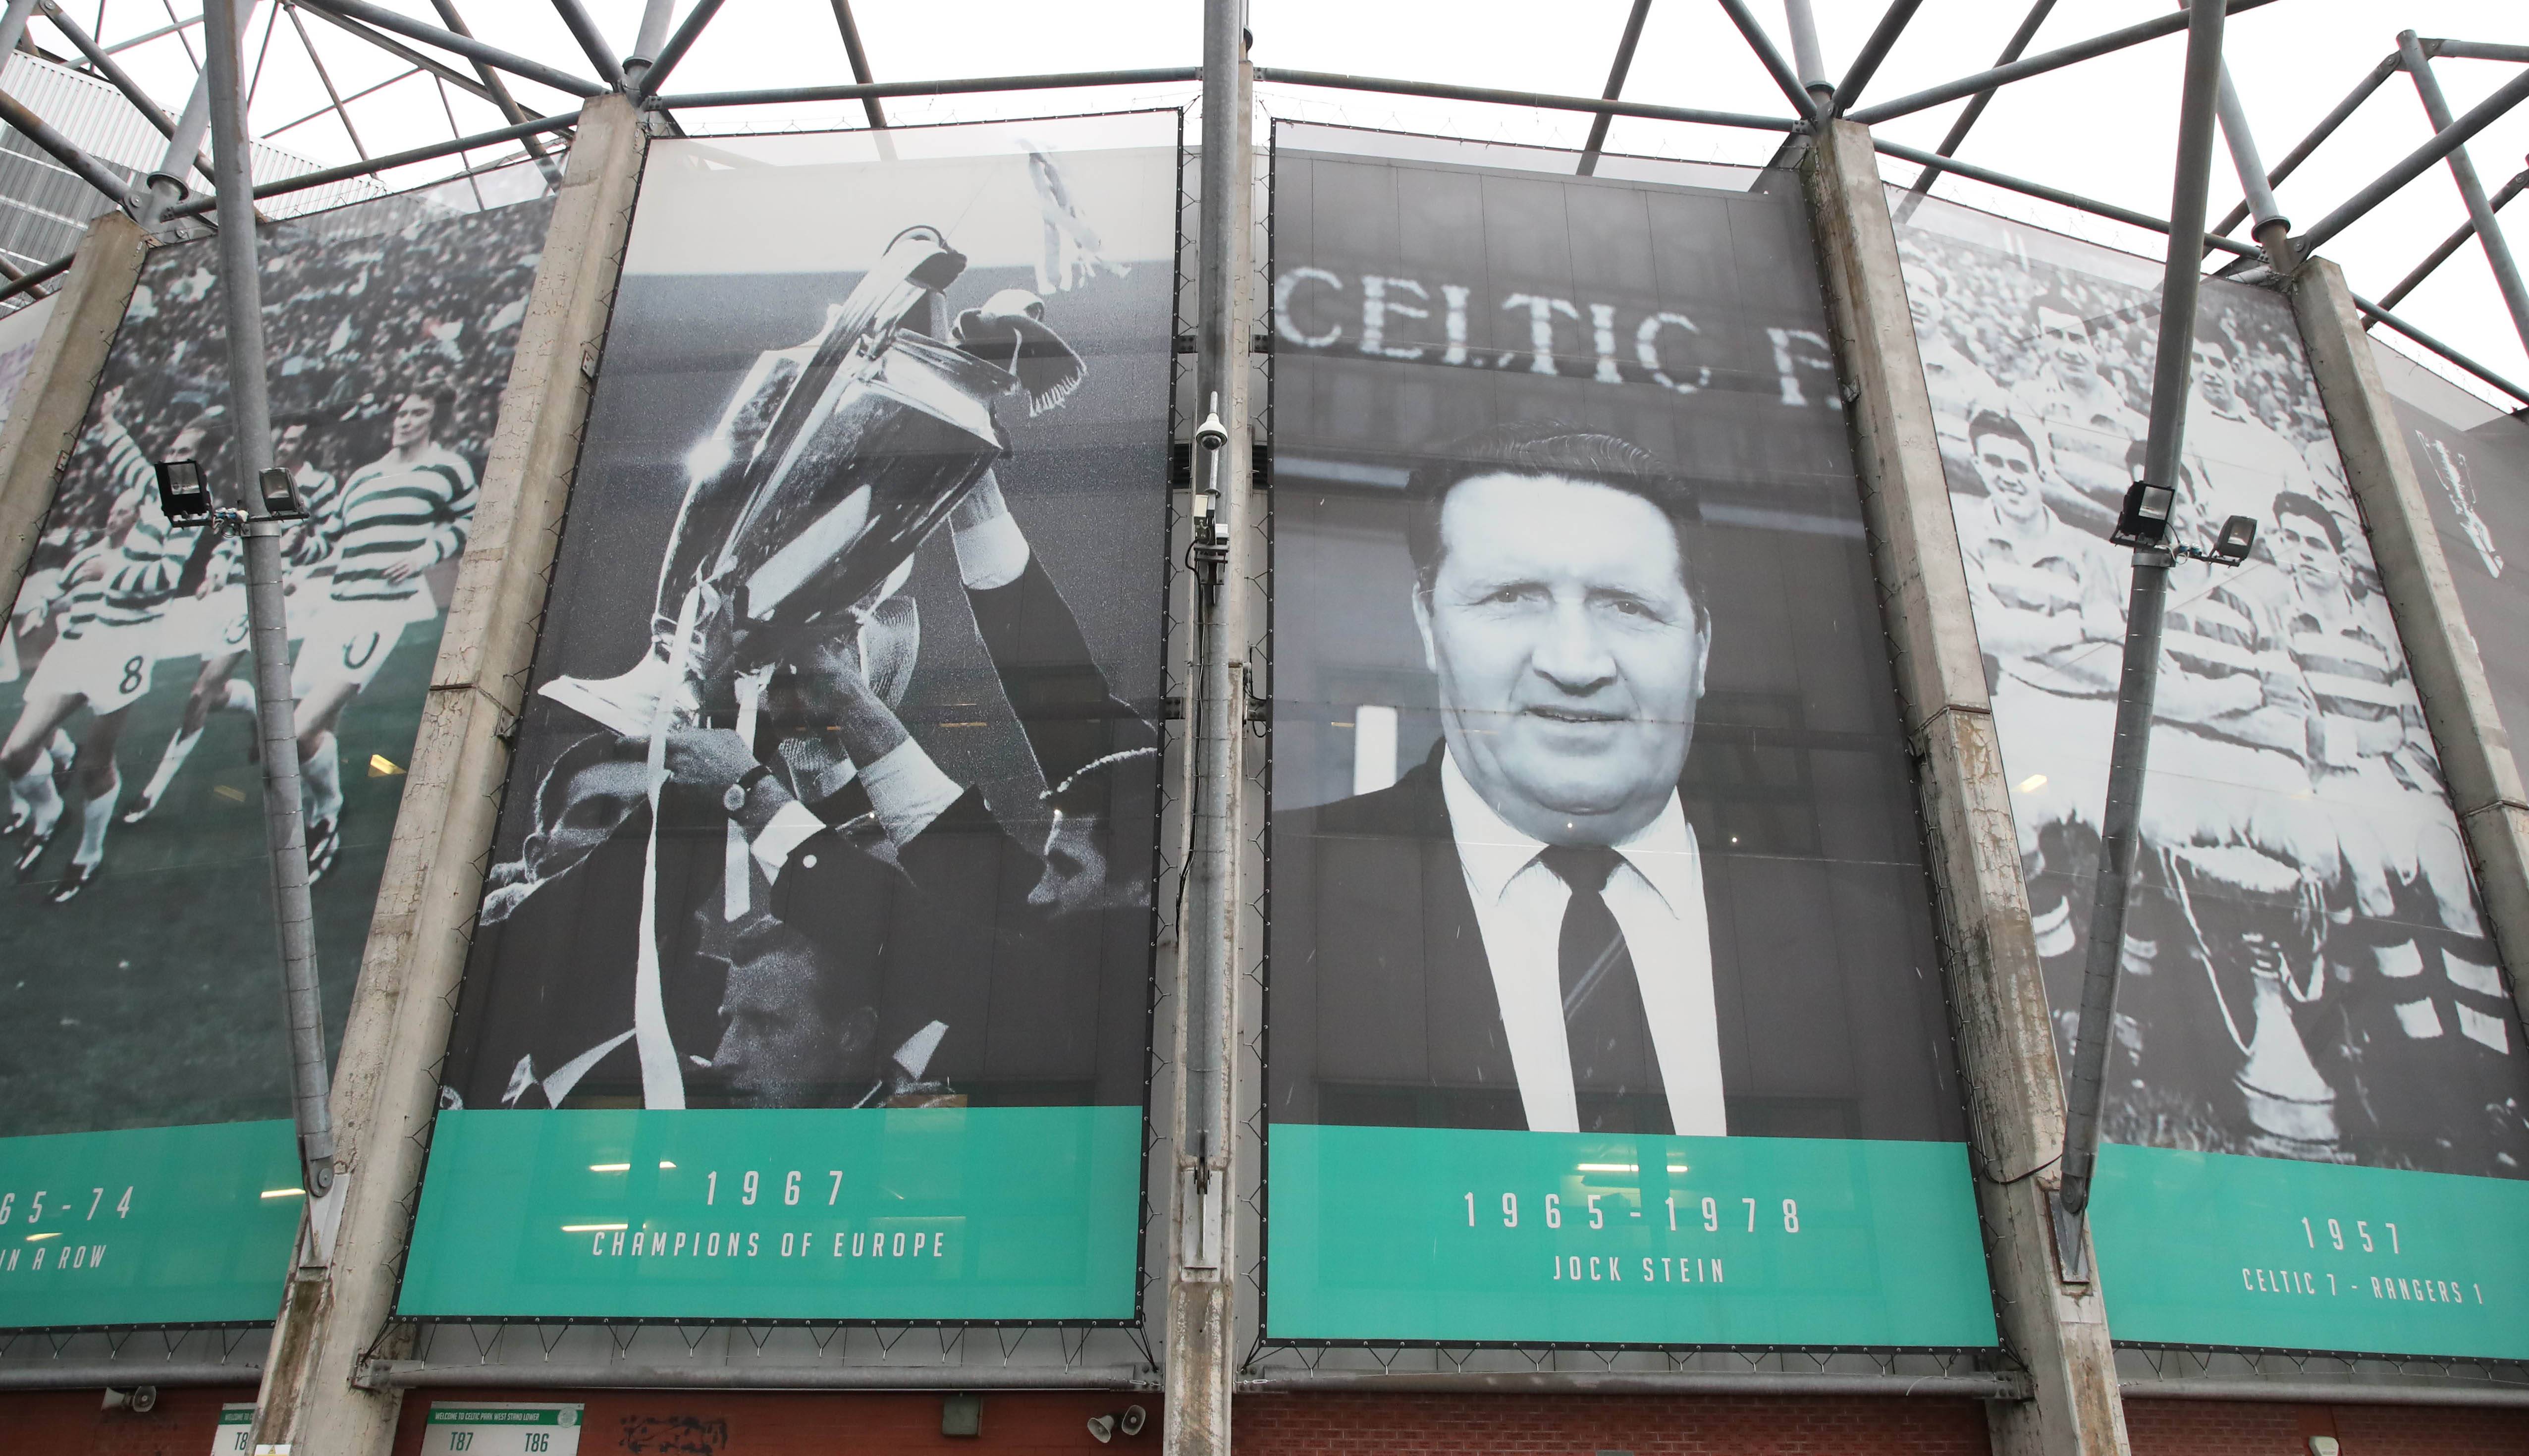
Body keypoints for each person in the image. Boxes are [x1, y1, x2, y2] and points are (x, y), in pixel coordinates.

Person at [1274, 421, 1726, 1137]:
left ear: (1700, 646)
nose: (1576, 663)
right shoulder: (1270, 893)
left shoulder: (1869, 941)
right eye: (1512, 596)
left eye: (1628, 605)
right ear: (1427, 623)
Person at [2269, 491, 2525, 1167]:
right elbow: (2307, 729)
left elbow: (2410, 732)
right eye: (2289, 541)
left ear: (2336, 550)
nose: (2302, 554)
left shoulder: (2376, 629)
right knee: (2373, 880)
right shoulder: (2283, 622)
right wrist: (2366, 737)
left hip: (2402, 782)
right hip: (2334, 791)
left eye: (2312, 541)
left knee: (2449, 885)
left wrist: (2370, 739)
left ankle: (2484, 1061)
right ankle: (2428, 1062)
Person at [3, 391, 201, 902]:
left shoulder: (190, 502)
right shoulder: (160, 491)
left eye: (185, 449)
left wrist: (114, 569)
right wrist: (110, 421)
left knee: (96, 762)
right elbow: (133, 464)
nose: (172, 455)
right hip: (88, 640)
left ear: (203, 459)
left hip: (127, 644)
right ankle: (49, 810)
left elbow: (166, 580)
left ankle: (88, 853)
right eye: (174, 446)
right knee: (17, 751)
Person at [1949, 409, 2123, 974]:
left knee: (2124, 830)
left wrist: (2028, 637)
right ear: (1977, 465)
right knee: (2005, 812)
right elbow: (1986, 630)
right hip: (2020, 702)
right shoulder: (1965, 531)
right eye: (1993, 463)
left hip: (2092, 714)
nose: (2007, 475)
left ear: (2038, 468)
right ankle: (2056, 962)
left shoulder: (2084, 550)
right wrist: (2074, 629)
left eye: (2017, 464)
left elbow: (2108, 662)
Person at [292, 386, 474, 880]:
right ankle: (322, 814)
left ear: (435, 422)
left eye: (418, 413)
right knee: (302, 728)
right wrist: (297, 546)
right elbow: (329, 542)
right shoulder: (363, 475)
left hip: (379, 612)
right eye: (402, 410)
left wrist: (425, 554)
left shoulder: (449, 468)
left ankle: (327, 815)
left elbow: (471, 520)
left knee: (297, 730)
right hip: (334, 609)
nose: (406, 419)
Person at [122, 417, 338, 824]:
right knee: (213, 692)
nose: (284, 445)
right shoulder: (260, 481)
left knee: (200, 692)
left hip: (266, 593)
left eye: (292, 439)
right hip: (230, 592)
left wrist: (300, 570)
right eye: (280, 438)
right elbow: (231, 533)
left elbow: (330, 539)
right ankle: (253, 706)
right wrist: (214, 570)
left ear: (306, 444)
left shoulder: (320, 485)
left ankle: (152, 791)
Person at [2009, 291, 2147, 536]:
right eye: (2055, 336)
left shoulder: (2136, 425)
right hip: (2064, 536)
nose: (2069, 350)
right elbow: (2045, 482)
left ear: (2096, 346)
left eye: (2078, 339)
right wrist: (2115, 528)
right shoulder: (2027, 399)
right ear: (2039, 339)